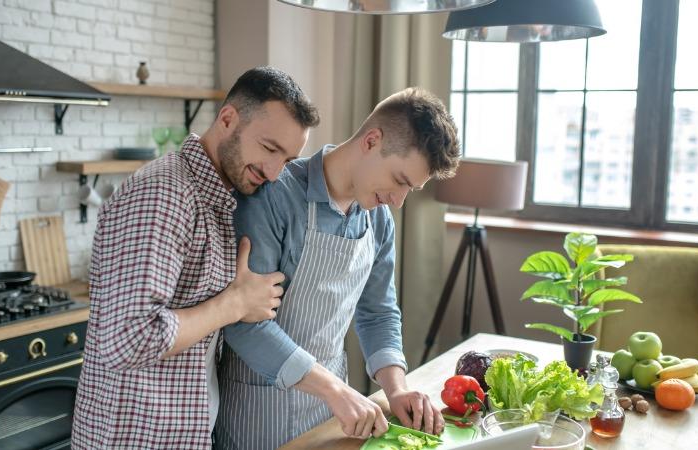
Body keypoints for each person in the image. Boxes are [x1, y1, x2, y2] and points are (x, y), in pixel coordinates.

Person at [71, 66, 320, 449]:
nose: (274, 173)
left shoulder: (218, 198)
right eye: (270, 148)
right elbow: (129, 339)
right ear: (227, 119)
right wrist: (235, 303)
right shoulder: (165, 195)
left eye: (286, 160)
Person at [216, 87, 461, 450]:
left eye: (412, 190)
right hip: (258, 411)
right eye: (399, 181)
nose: (397, 201)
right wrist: (335, 390)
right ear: (372, 140)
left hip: (335, 412)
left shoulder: (377, 220)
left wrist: (396, 389)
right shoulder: (274, 196)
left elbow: (378, 312)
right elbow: (244, 324)